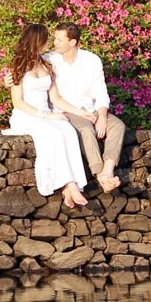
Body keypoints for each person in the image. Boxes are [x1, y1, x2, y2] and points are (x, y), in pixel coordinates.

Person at [1, 22, 91, 210]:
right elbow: (18, 102)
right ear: (37, 41)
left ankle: (73, 185)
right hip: (26, 115)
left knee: (68, 130)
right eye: (45, 40)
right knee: (54, 134)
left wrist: (80, 112)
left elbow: (56, 98)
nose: (48, 43)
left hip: (45, 113)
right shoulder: (18, 65)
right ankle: (69, 185)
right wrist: (45, 116)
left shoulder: (46, 64)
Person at [44, 24, 125, 194]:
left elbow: (101, 92)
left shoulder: (91, 60)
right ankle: (99, 174)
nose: (55, 43)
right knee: (86, 130)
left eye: (59, 40)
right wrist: (7, 80)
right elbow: (27, 70)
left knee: (117, 126)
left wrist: (102, 116)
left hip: (91, 108)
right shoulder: (49, 59)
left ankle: (107, 170)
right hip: (67, 110)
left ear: (73, 42)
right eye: (55, 39)